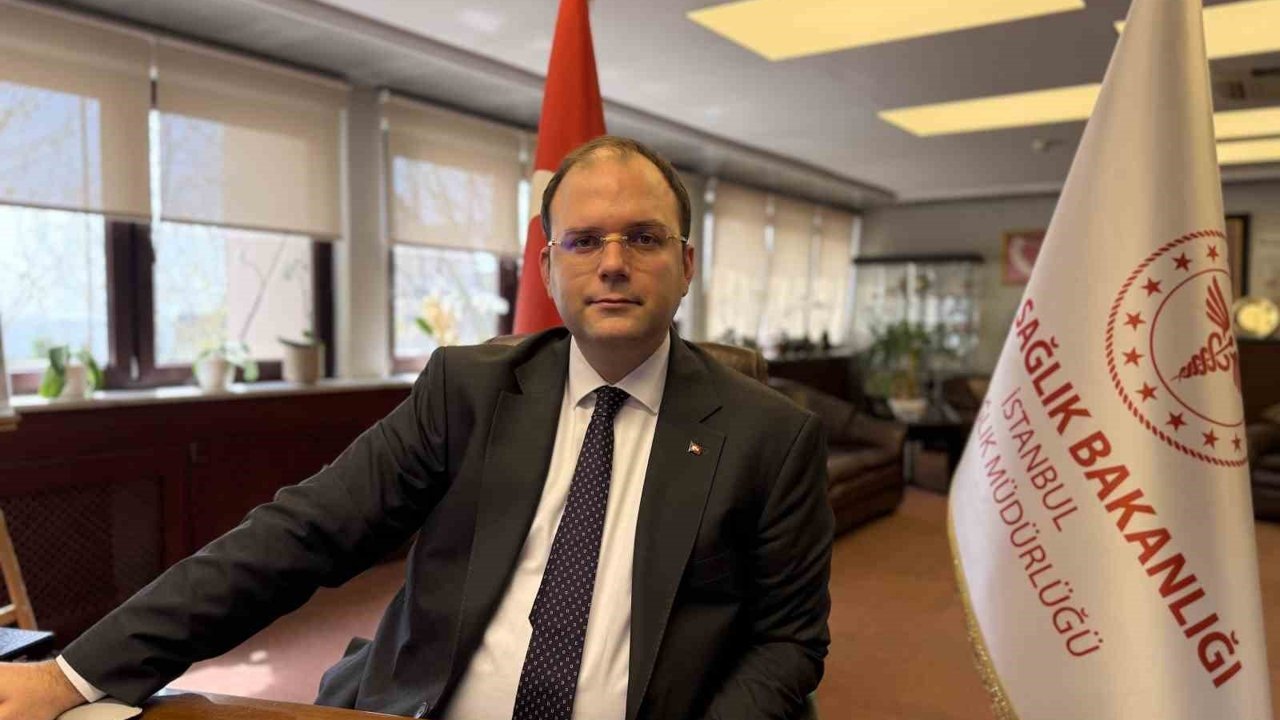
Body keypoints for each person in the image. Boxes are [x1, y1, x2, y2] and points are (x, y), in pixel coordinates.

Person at [0, 136, 833, 720]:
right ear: (548, 269)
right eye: (583, 242)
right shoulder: (468, 392)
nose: (612, 262)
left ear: (686, 265)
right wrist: (72, 676)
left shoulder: (770, 437)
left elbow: (787, 643)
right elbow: (301, 534)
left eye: (643, 238)